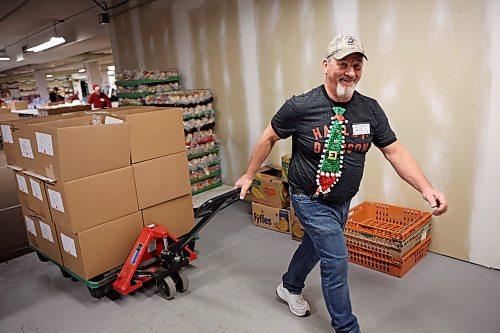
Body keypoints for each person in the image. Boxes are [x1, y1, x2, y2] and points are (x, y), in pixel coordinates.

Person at [235, 34, 448, 333]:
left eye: (357, 65)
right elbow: (268, 137)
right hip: (308, 197)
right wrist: (248, 175)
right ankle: (347, 328)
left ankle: (289, 287)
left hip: (342, 199)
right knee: (335, 260)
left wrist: (426, 188)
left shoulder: (370, 110)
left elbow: (394, 151)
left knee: (313, 245)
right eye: (343, 63)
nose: (350, 71)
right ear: (326, 65)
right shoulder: (301, 106)